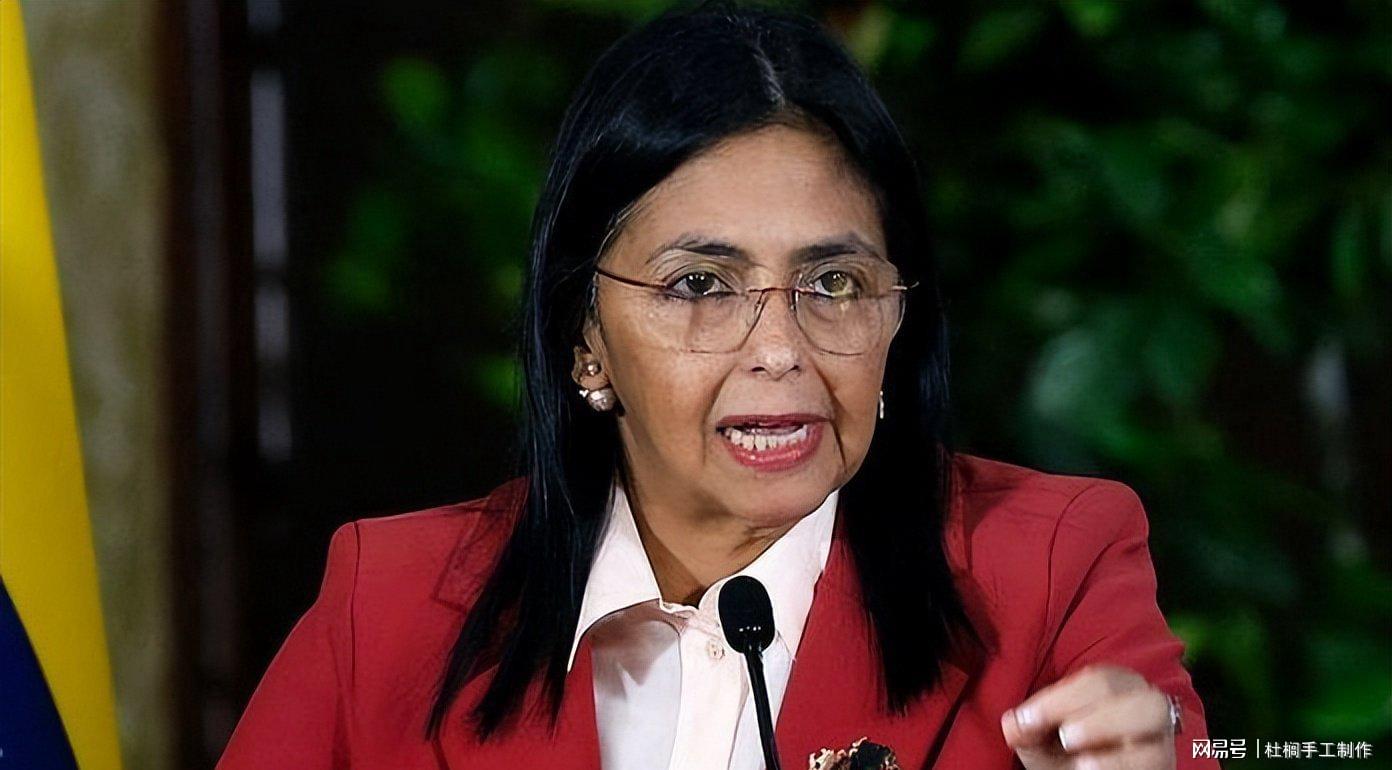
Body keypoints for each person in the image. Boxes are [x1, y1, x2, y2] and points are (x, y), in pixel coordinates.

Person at [217, 4, 1216, 769]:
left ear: (897, 315)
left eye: (835, 284)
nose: (779, 350)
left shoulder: (1050, 569)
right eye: (700, 286)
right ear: (585, 338)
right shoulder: (389, 603)